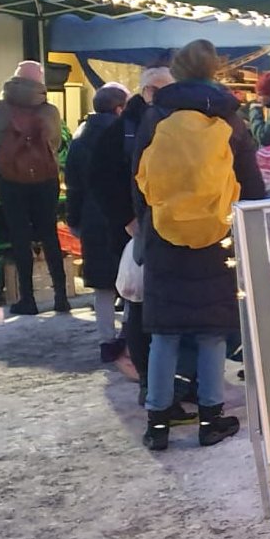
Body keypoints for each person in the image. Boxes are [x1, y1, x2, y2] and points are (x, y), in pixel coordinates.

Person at [131, 41, 263, 451]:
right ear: (215, 70)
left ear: (178, 71)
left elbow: (138, 177)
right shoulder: (231, 121)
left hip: (164, 236)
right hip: (216, 238)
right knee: (211, 333)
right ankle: (210, 419)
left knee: (164, 334)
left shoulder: (156, 115)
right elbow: (252, 185)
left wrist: (150, 223)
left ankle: (157, 423)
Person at [89, 66, 172, 401]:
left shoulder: (164, 122)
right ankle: (147, 381)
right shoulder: (122, 129)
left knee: (155, 306)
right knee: (137, 305)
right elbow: (101, 177)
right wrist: (126, 219)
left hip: (167, 227)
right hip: (136, 232)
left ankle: (162, 379)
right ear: (148, 91)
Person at [0, 60, 68, 315]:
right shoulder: (49, 111)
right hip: (45, 179)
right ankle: (60, 296)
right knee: (49, 234)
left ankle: (27, 299)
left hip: (10, 179)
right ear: (39, 83)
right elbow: (56, 142)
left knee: (19, 236)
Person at [66, 83, 131, 364]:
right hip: (123, 217)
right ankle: (128, 337)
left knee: (103, 285)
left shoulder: (80, 137)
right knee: (130, 281)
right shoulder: (124, 136)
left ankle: (106, 341)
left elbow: (73, 184)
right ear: (119, 108)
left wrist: (74, 218)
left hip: (92, 217)